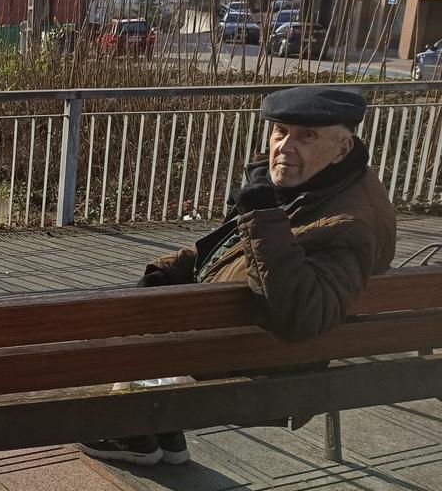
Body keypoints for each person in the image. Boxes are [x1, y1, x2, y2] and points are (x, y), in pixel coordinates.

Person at [79, 85, 397, 467]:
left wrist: (262, 216)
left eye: (306, 136)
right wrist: (167, 271)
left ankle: (132, 430)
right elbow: (226, 250)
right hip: (234, 335)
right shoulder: (316, 186)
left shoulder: (348, 223)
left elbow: (302, 315)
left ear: (343, 148)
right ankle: (155, 428)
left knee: (119, 334)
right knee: (142, 310)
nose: (285, 146)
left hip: (259, 360)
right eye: (280, 131)